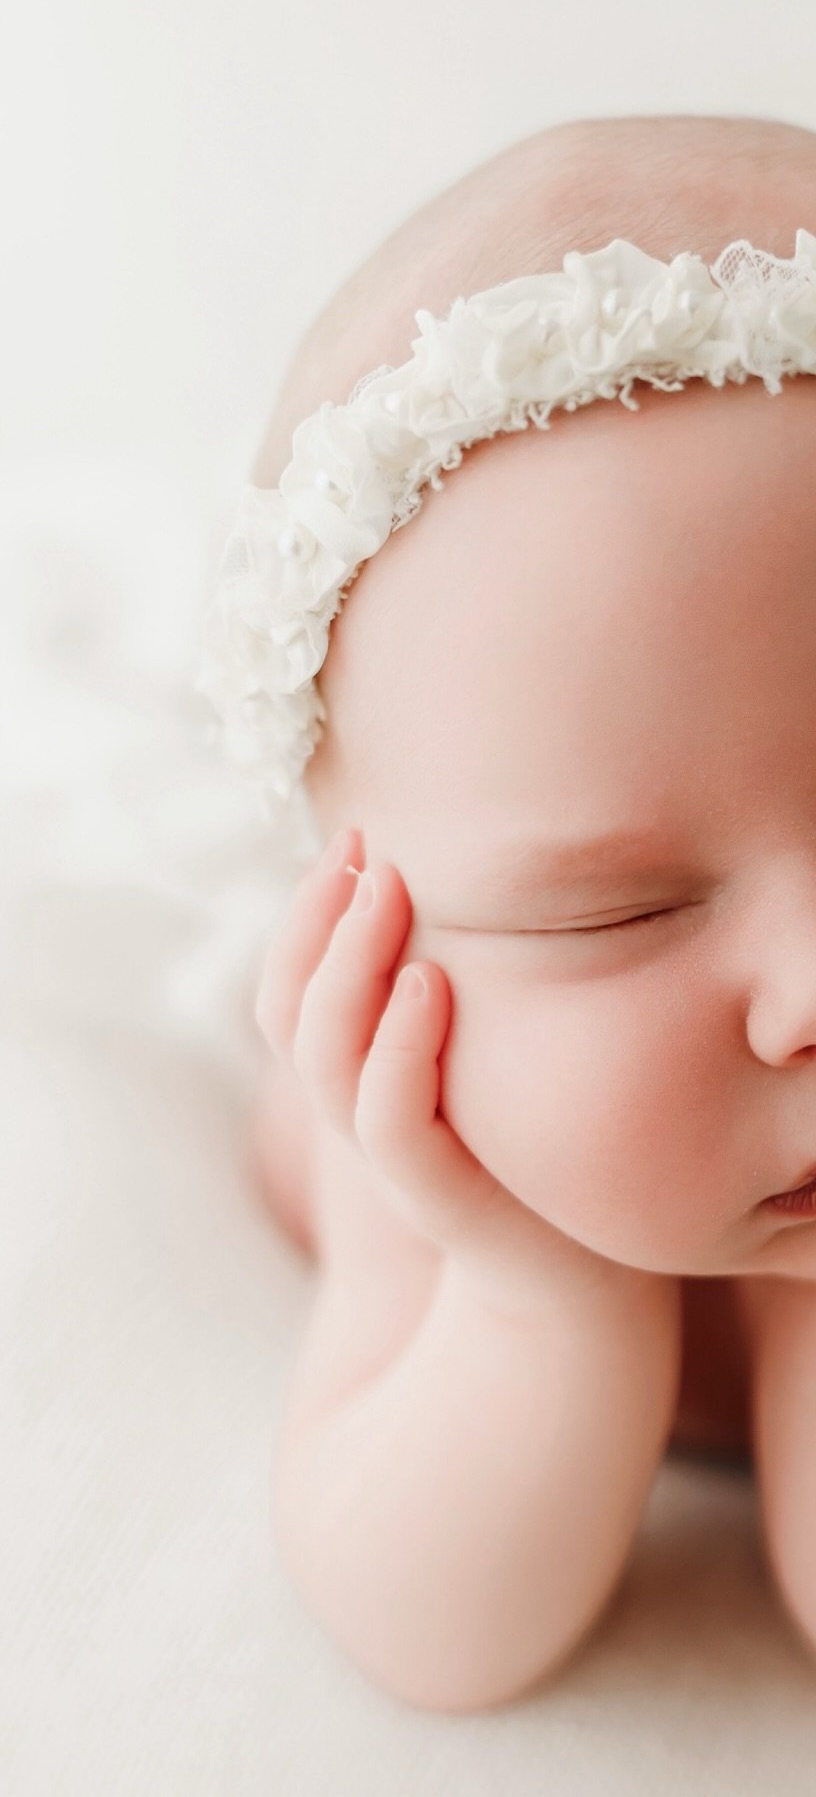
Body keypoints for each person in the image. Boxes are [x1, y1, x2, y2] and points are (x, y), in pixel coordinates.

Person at [197, 112, 816, 1713]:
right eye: (618, 917)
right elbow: (444, 1633)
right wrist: (546, 1290)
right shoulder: (415, 1123)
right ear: (379, 937)